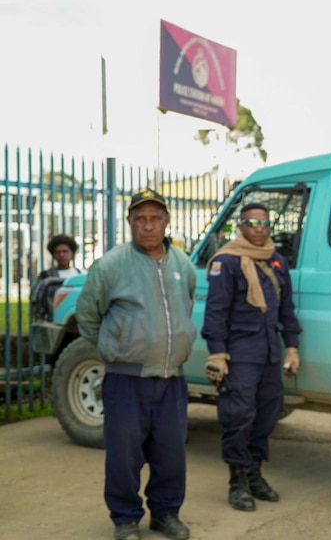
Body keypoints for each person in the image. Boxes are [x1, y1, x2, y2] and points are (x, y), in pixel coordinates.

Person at [76, 189, 197, 540]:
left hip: (171, 378)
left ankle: (165, 513)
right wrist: (118, 346)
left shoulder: (183, 265)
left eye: (155, 218)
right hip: (126, 380)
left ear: (167, 221)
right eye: (140, 219)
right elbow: (87, 317)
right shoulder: (111, 265)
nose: (148, 226)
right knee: (124, 456)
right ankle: (126, 518)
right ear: (129, 222)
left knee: (171, 454)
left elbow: (185, 307)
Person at [201, 203, 302, 512]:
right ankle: (237, 482)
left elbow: (286, 310)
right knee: (239, 417)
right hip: (240, 355)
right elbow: (215, 311)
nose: (259, 228)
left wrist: (292, 347)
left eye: (264, 223)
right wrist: (217, 353)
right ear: (240, 226)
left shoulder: (277, 260)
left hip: (270, 353)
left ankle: (254, 474)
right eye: (252, 223)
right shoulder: (227, 261)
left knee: (266, 415)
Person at [30, 233, 86, 322]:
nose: (61, 255)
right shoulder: (46, 276)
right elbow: (36, 299)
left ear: (72, 252)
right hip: (54, 321)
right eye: (57, 252)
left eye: (65, 251)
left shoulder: (81, 274)